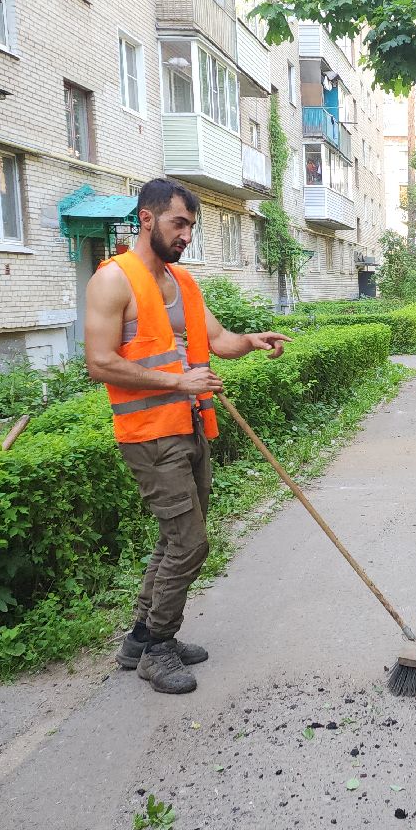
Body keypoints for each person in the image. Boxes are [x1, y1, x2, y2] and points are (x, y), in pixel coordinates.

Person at [84, 179, 288, 694]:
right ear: (148, 219)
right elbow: (99, 363)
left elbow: (217, 341)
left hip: (191, 427)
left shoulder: (183, 284)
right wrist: (178, 381)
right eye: (180, 223)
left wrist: (252, 341)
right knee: (190, 545)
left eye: (192, 227)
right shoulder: (113, 281)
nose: (187, 236)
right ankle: (158, 649)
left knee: (173, 540)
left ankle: (139, 638)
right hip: (149, 436)